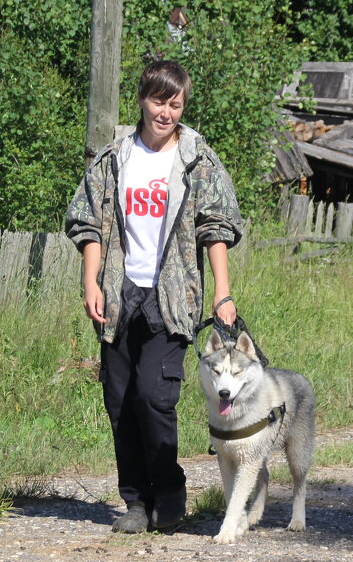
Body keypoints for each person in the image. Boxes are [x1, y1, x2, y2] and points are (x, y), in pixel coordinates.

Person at [65, 60, 243, 533]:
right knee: (119, 398)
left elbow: (217, 228)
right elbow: (90, 223)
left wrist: (221, 295)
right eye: (158, 101)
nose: (165, 112)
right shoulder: (115, 158)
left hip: (172, 295)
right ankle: (136, 502)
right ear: (142, 99)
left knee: (153, 394)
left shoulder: (196, 160)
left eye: (175, 104)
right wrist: (90, 282)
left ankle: (168, 490)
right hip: (120, 292)